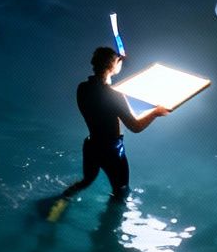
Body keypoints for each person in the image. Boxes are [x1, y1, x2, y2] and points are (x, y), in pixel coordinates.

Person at [56, 46, 168, 205]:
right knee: (121, 191)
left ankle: (61, 201)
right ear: (111, 67)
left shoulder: (82, 88)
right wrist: (155, 113)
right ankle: (107, 227)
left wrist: (118, 62)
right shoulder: (114, 96)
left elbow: (102, 102)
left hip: (91, 145)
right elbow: (135, 127)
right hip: (111, 150)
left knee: (87, 180)